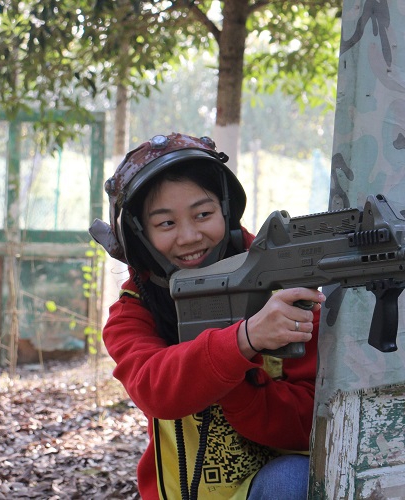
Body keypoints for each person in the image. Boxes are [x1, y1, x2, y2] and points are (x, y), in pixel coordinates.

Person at [89, 133, 324, 500]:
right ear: (138, 237)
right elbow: (156, 388)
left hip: (268, 489)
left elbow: (309, 424)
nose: (188, 236)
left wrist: (239, 385)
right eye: (165, 223)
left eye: (203, 214)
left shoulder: (287, 291)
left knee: (292, 479)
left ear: (227, 211)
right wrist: (244, 342)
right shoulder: (134, 310)